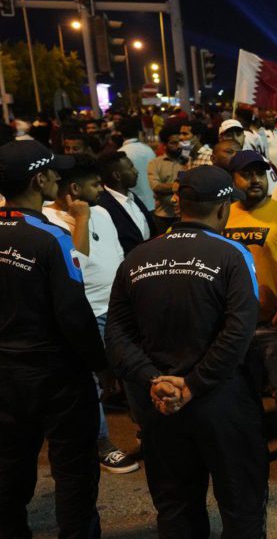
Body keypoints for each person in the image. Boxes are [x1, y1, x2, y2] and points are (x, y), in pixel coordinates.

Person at [105, 166, 267, 536]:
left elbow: (116, 336)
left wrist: (153, 381)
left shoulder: (137, 258)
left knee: (176, 511)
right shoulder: (233, 255)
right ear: (224, 207)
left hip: (160, 404)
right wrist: (193, 384)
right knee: (242, 510)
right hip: (223, 402)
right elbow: (239, 332)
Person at [0, 141, 109, 538]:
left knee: (9, 470)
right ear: (38, 179)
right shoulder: (50, 238)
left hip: (6, 375)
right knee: (75, 474)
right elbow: (73, 313)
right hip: (56, 376)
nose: (58, 179)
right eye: (52, 173)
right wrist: (101, 365)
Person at [43, 154, 138, 474]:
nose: (101, 188)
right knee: (90, 384)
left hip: (118, 309)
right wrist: (80, 219)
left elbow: (119, 257)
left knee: (135, 372)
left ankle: (148, 433)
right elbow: (75, 264)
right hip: (87, 314)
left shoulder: (103, 210)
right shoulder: (48, 221)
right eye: (95, 184)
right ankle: (101, 443)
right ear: (73, 188)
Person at [225, 150, 277, 476]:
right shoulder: (224, 215)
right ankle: (252, 441)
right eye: (246, 174)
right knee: (243, 387)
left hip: (273, 320)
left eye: (260, 173)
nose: (255, 180)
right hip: (234, 323)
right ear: (233, 179)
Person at [97, 150, 155, 255]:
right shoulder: (103, 206)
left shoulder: (132, 197)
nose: (136, 171)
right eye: (131, 167)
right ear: (117, 175)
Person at [148, 125, 188, 234]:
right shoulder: (155, 163)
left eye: (180, 141)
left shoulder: (188, 160)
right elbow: (157, 187)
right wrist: (184, 185)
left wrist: (168, 187)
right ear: (164, 145)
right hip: (164, 217)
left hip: (186, 216)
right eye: (173, 143)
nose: (179, 145)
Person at [118, 117, 157, 210]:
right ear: (139, 132)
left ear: (120, 133)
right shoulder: (148, 150)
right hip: (154, 202)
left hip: (136, 205)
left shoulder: (121, 154)